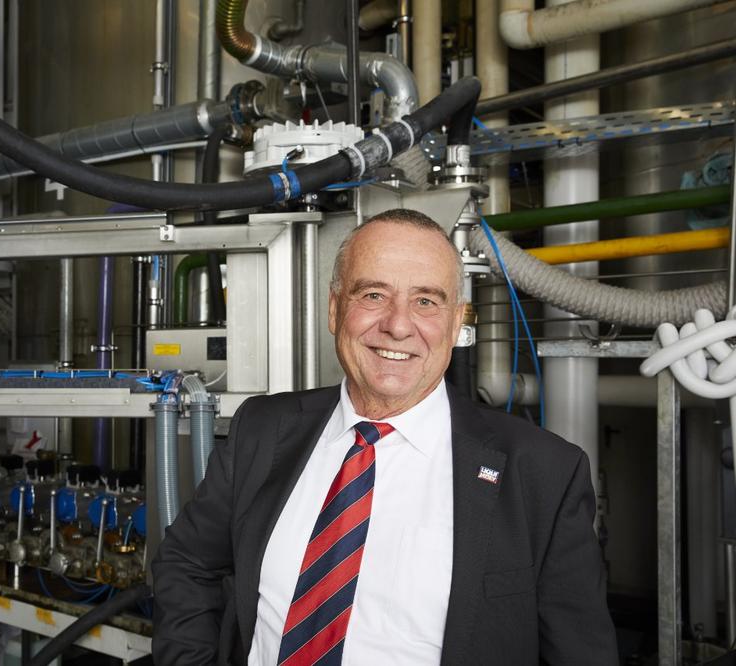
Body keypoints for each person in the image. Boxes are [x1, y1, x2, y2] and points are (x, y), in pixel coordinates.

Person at [152, 208, 617, 665]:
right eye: (373, 295)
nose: (397, 325)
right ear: (335, 309)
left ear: (457, 323)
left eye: (426, 301)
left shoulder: (543, 473)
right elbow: (189, 563)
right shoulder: (263, 428)